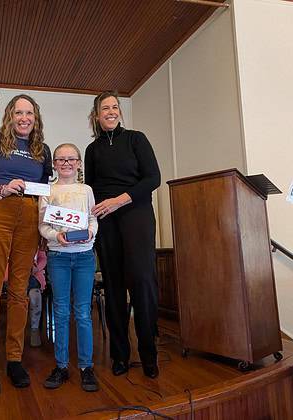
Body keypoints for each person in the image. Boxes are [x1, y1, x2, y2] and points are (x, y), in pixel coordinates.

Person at [0, 94, 52, 395]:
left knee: (20, 290)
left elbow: (46, 189)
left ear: (36, 117)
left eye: (29, 113)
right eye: (18, 112)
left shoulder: (42, 150)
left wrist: (46, 226)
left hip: (29, 215)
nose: (24, 118)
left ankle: (15, 359)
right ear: (10, 116)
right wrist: (2, 187)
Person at [85, 91, 161, 379]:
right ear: (96, 115)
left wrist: (120, 199)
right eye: (105, 108)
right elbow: (90, 188)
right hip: (105, 221)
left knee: (142, 282)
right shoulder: (93, 150)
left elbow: (153, 178)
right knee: (114, 286)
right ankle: (119, 355)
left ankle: (148, 353)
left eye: (115, 107)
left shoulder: (136, 139)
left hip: (136, 214)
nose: (111, 111)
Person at [39, 143, 99, 392]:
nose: (66, 163)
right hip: (59, 258)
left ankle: (86, 367)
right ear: (54, 164)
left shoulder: (86, 189)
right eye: (60, 159)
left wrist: (90, 234)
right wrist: (56, 237)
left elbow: (93, 219)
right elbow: (43, 226)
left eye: (70, 159)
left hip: (85, 256)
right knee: (61, 313)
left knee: (83, 313)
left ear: (78, 163)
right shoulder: (47, 190)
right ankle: (61, 365)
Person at [28, 249, 46, 347]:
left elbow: (43, 258)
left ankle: (34, 330)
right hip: (14, 274)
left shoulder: (37, 241)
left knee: (35, 296)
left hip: (34, 276)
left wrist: (36, 268)